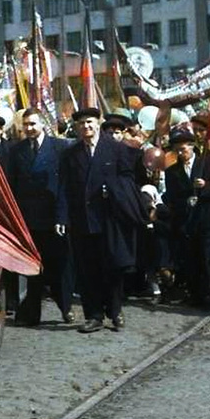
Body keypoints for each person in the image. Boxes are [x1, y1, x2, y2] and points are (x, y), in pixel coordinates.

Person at [56, 107, 146, 333]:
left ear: (98, 123)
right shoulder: (70, 154)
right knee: (87, 270)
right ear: (77, 128)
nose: (86, 127)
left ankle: (115, 311)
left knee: (113, 266)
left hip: (110, 219)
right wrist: (62, 217)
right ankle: (93, 315)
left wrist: (113, 189)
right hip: (82, 220)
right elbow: (64, 188)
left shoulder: (116, 150)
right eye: (82, 124)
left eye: (90, 122)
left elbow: (129, 179)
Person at [5, 107, 72, 325]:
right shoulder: (17, 151)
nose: (29, 128)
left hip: (53, 218)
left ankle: (66, 307)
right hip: (29, 218)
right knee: (33, 268)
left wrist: (62, 217)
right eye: (26, 125)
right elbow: (12, 186)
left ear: (43, 123)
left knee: (59, 265)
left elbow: (65, 186)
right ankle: (32, 313)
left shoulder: (60, 148)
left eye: (33, 124)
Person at [163, 127, 210, 310]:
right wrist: (185, 201)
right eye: (178, 150)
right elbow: (171, 197)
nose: (182, 153)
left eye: (185, 149)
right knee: (191, 259)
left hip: (208, 219)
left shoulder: (207, 165)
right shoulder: (172, 172)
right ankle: (195, 294)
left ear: (192, 147)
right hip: (187, 222)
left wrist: (206, 186)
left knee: (209, 258)